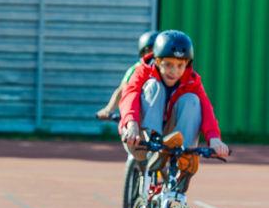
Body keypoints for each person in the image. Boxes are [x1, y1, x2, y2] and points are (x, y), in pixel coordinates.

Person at [118, 29, 229, 184]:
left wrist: (215, 139)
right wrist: (132, 125)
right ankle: (155, 146)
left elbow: (206, 108)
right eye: (168, 64)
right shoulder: (143, 71)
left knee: (193, 100)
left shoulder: (191, 81)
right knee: (154, 86)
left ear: (187, 64)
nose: (174, 71)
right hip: (139, 138)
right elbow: (129, 95)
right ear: (157, 61)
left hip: (170, 139)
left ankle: (184, 160)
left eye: (179, 65)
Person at [96, 30, 158, 120]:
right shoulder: (137, 69)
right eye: (149, 51)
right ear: (142, 53)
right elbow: (122, 89)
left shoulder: (166, 70)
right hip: (138, 113)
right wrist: (108, 109)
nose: (152, 56)